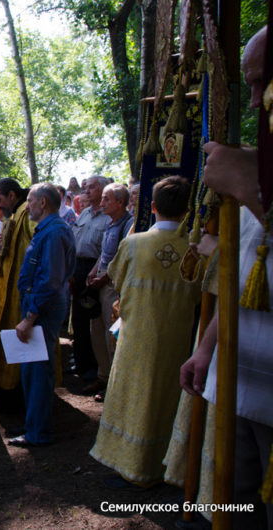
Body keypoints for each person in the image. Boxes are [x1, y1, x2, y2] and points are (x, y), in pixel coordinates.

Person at [180, 26, 273, 528]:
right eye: (250, 87)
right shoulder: (265, 163)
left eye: (264, 83)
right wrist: (207, 347)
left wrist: (253, 191)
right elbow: (247, 275)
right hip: (239, 384)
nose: (257, 102)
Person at [87, 176, 200, 488]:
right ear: (187, 210)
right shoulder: (195, 250)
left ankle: (131, 466)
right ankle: (166, 465)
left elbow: (116, 280)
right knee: (166, 398)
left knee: (132, 397)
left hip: (137, 335)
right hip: (177, 339)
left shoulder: (134, 244)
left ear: (151, 207)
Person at [8, 183, 76, 447]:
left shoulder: (54, 233)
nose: (28, 205)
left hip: (43, 310)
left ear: (43, 203)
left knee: (37, 372)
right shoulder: (47, 231)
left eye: (30, 201)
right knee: (31, 370)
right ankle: (33, 424)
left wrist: (30, 316)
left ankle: (38, 433)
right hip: (39, 307)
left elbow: (50, 279)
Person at [84, 183, 133, 400]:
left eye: (107, 199)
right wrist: (93, 272)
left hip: (113, 286)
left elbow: (123, 260)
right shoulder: (110, 224)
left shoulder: (129, 225)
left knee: (110, 335)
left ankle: (113, 385)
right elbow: (104, 254)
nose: (102, 203)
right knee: (97, 331)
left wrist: (104, 277)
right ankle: (103, 376)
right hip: (100, 283)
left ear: (121, 202)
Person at [0, 178, 35, 402]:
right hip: (9, 289)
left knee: (24, 340)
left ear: (12, 196)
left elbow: (39, 246)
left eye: (0, 200)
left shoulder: (27, 212)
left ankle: (21, 392)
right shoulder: (12, 216)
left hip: (23, 291)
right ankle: (12, 388)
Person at [70, 176, 111, 381]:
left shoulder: (110, 217)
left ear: (103, 191)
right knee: (78, 318)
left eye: (92, 187)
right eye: (86, 187)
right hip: (78, 267)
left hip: (96, 269)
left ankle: (97, 368)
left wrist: (95, 273)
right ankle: (80, 363)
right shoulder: (84, 213)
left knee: (94, 319)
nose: (86, 190)